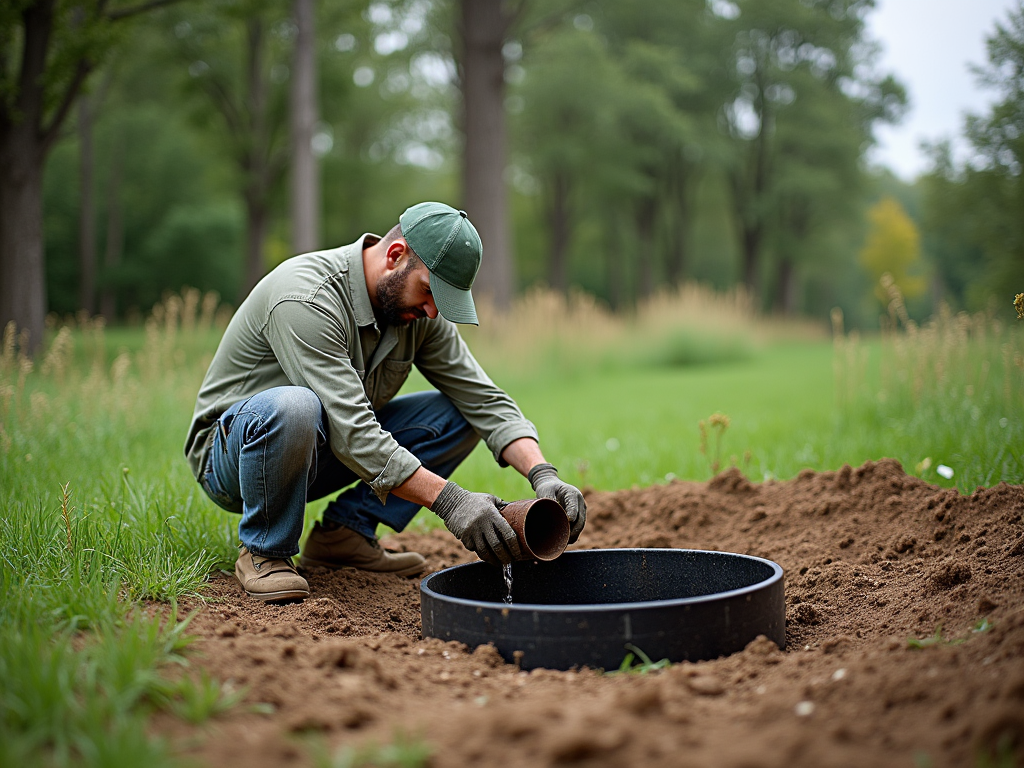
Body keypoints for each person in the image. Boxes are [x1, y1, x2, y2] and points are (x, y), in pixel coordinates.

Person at [184, 202, 586, 602]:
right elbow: (355, 432)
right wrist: (452, 501)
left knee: (459, 414)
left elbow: (484, 400)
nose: (432, 310)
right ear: (395, 256)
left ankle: (345, 535)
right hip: (235, 457)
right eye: (429, 291)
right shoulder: (306, 297)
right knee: (296, 406)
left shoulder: (418, 314)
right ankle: (264, 549)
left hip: (322, 451)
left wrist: (542, 474)